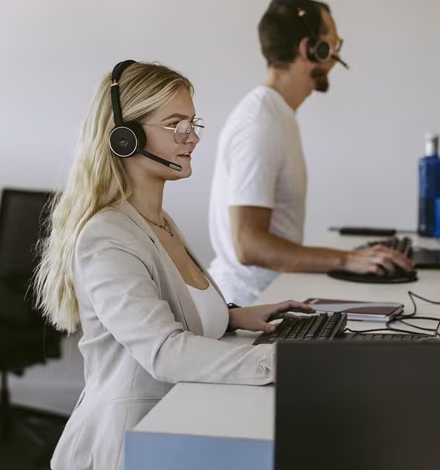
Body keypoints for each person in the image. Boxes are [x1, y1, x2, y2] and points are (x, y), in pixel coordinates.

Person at [36, 60, 312, 470]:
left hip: (178, 423)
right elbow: (163, 350)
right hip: (133, 443)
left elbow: (166, 312)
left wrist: (233, 316)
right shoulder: (107, 237)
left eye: (193, 123)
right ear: (125, 138)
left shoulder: (157, 221)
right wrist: (287, 363)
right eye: (175, 125)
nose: (192, 137)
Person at [207, 0, 414, 307]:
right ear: (312, 49)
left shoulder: (277, 115)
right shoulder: (260, 124)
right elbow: (248, 245)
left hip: (271, 296)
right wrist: (347, 260)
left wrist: (352, 257)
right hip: (251, 308)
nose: (337, 55)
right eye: (333, 43)